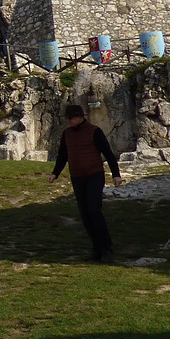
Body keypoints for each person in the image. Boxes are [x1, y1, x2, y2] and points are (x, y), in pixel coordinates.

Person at [51, 104, 123, 262]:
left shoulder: (94, 131)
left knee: (94, 211)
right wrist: (55, 173)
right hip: (77, 177)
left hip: (94, 175)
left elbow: (108, 154)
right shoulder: (67, 134)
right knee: (85, 214)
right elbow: (63, 155)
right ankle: (96, 248)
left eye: (72, 118)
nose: (69, 121)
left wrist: (116, 175)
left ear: (80, 117)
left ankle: (107, 249)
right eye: (68, 118)